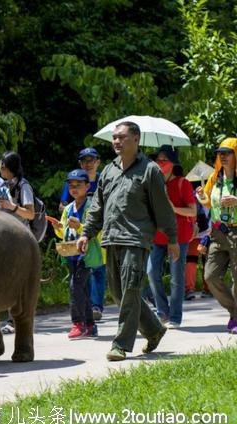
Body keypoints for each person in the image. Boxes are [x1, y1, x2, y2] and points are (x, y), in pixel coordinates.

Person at [77, 121, 178, 361]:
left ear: (136, 139)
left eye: (121, 137)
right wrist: (86, 232)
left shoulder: (150, 170)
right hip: (111, 238)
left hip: (136, 238)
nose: (116, 141)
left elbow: (162, 209)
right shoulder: (109, 171)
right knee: (118, 293)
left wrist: (172, 238)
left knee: (131, 289)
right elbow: (98, 206)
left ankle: (120, 345)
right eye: (114, 137)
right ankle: (154, 329)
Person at [145, 145, 196, 329]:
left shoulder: (183, 183)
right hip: (157, 237)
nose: (159, 163)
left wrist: (172, 208)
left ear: (173, 163)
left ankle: (175, 317)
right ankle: (162, 312)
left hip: (179, 237)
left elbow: (192, 210)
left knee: (176, 277)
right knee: (151, 272)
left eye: (163, 160)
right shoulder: (155, 183)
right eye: (157, 160)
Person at [52, 169, 103, 339]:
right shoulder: (68, 208)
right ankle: (90, 325)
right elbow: (64, 234)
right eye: (71, 186)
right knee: (83, 290)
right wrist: (59, 228)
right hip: (72, 253)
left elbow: (97, 232)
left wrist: (80, 227)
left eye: (78, 185)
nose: (74, 188)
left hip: (86, 254)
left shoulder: (92, 206)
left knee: (75, 286)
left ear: (88, 186)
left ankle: (77, 323)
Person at [59, 147, 107, 321]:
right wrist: (68, 219)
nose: (88, 163)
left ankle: (95, 307)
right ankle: (87, 318)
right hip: (76, 236)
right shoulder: (74, 179)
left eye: (91, 160)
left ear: (98, 162)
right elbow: (63, 205)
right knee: (79, 281)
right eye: (84, 160)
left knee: (98, 270)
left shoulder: (104, 180)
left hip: (97, 235)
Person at [197, 137, 237, 335]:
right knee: (210, 276)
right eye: (220, 153)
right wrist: (202, 197)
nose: (223, 156)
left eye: (227, 152)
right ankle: (234, 311)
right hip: (218, 233)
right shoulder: (214, 177)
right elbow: (207, 204)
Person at [0, 151, 35, 334]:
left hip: (21, 241)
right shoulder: (3, 185)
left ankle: (15, 320)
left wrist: (12, 207)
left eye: (3, 166)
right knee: (7, 281)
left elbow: (30, 214)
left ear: (11, 168)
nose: (0, 169)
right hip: (5, 240)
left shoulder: (24, 186)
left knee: (18, 281)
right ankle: (11, 318)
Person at [184, 180, 211, 300]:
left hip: (195, 234)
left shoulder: (191, 197)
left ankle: (189, 289)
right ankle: (207, 289)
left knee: (191, 261)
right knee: (206, 261)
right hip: (206, 233)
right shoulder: (211, 196)